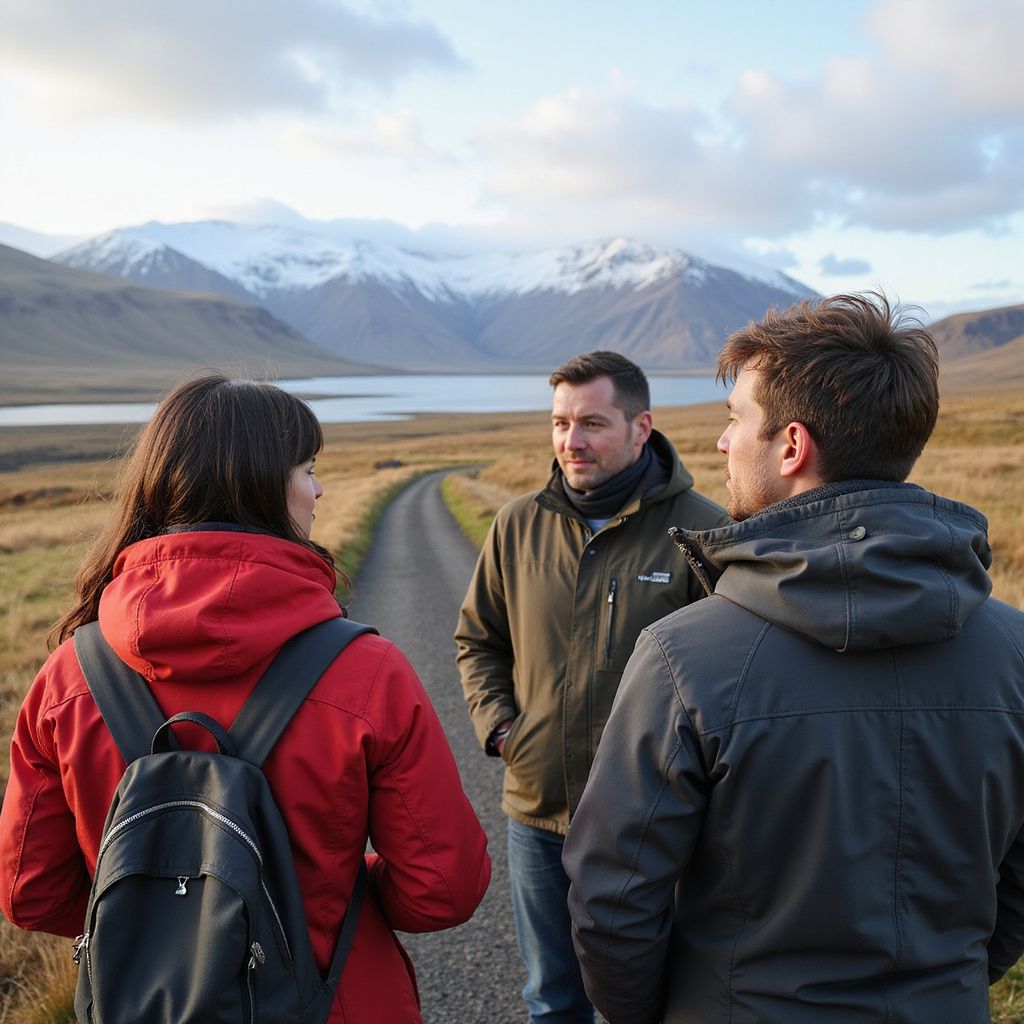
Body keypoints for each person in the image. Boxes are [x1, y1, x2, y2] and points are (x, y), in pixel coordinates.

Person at [563, 293, 1024, 1024]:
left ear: (791, 446)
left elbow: (613, 901)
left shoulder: (683, 659)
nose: (720, 444)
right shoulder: (1016, 650)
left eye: (734, 419)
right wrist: (948, 974)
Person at [0, 373, 491, 1023]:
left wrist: (163, 913)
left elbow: (28, 893)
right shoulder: (367, 672)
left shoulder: (68, 677)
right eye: (308, 469)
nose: (319, 490)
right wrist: (328, 891)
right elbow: (443, 891)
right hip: (335, 1001)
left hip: (144, 1003)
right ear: (260, 485)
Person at [455, 350, 728, 1022]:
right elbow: (478, 639)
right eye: (559, 423)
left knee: (654, 1001)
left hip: (656, 824)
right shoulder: (518, 525)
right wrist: (503, 730)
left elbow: (733, 678)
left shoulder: (704, 531)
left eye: (592, 423)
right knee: (552, 999)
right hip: (538, 811)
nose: (570, 441)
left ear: (642, 427)